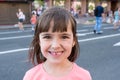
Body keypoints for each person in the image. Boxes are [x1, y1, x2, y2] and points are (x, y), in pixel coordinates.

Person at [23, 7, 92, 80]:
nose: (55, 46)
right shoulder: (31, 76)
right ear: (39, 41)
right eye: (47, 37)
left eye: (64, 37)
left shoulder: (84, 76)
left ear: (74, 40)